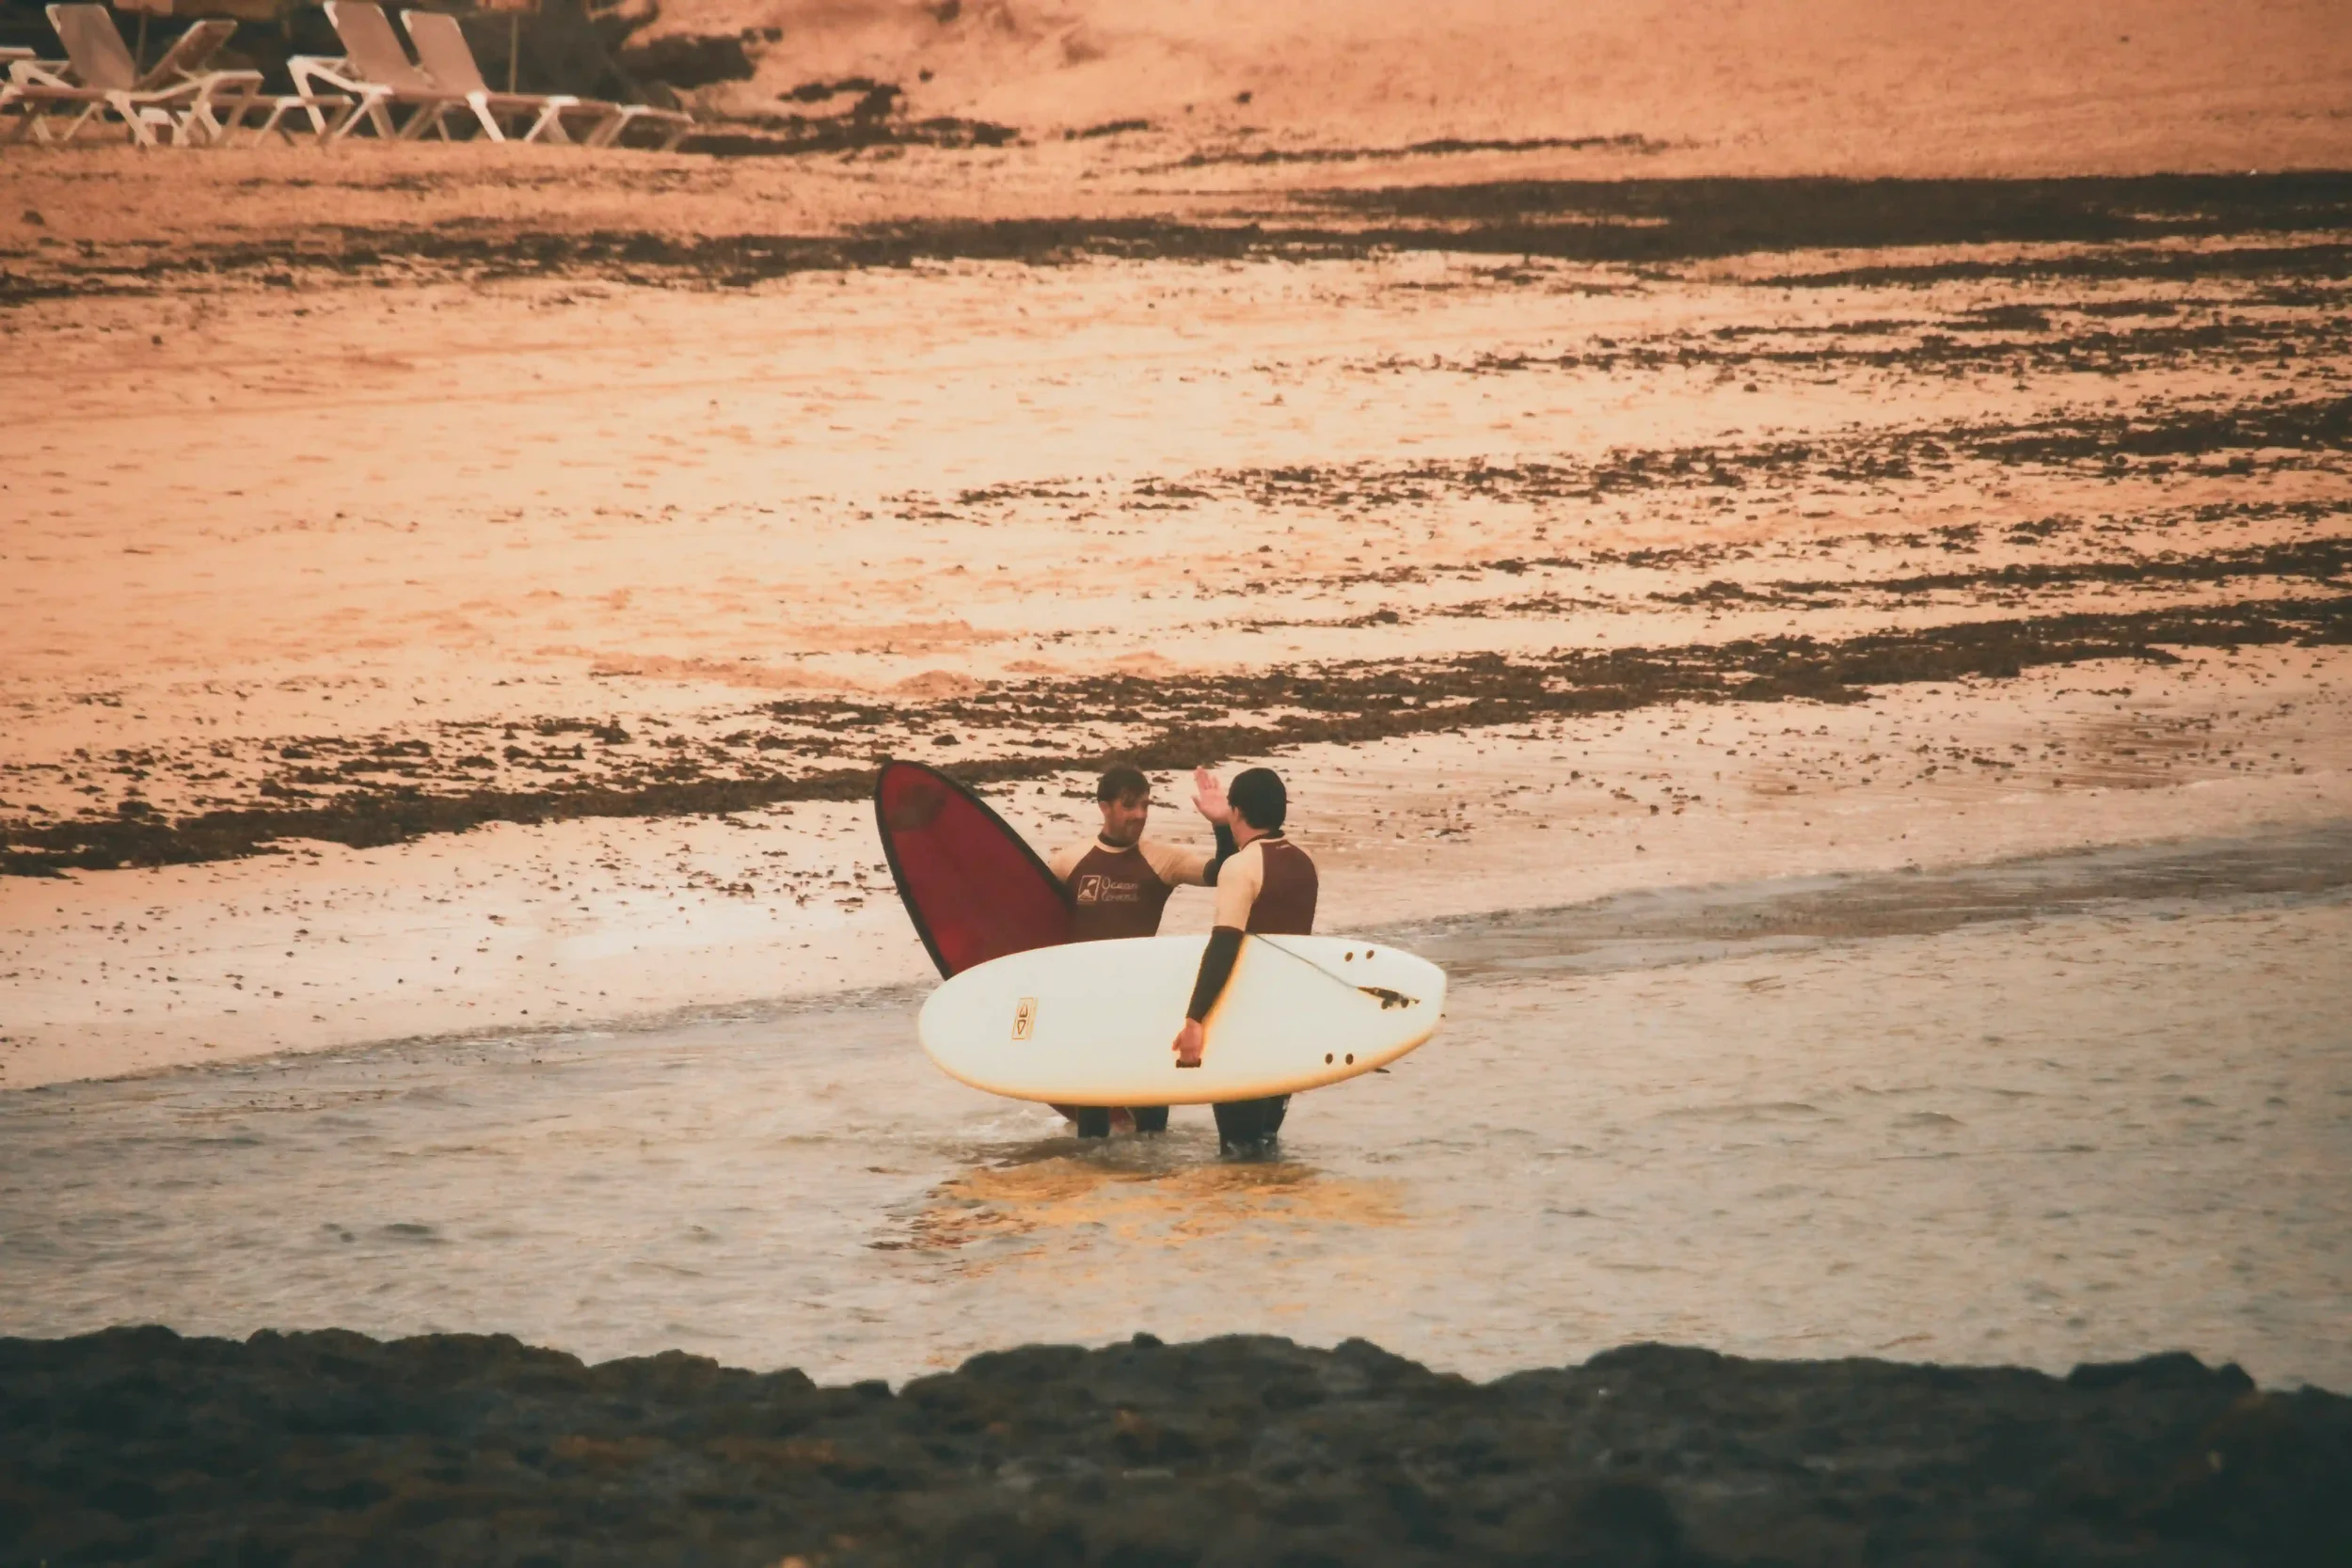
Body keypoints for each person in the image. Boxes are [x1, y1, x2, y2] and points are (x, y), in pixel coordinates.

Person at [1046, 764, 1235, 1137]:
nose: (1140, 815)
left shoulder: (1161, 860)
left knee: (1152, 1130)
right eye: (1129, 805)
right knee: (1093, 1130)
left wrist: (1221, 824)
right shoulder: (1067, 863)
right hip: (1087, 1003)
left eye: (1146, 805)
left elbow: (1225, 871)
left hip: (1143, 1000)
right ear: (1104, 806)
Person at [1172, 766, 1317, 1154]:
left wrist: (1194, 1019)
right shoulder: (1304, 863)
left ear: (1238, 812)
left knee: (1237, 1151)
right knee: (1266, 1146)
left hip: (1246, 1026)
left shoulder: (1242, 868)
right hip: (1287, 1028)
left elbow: (1224, 946)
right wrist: (1223, 824)